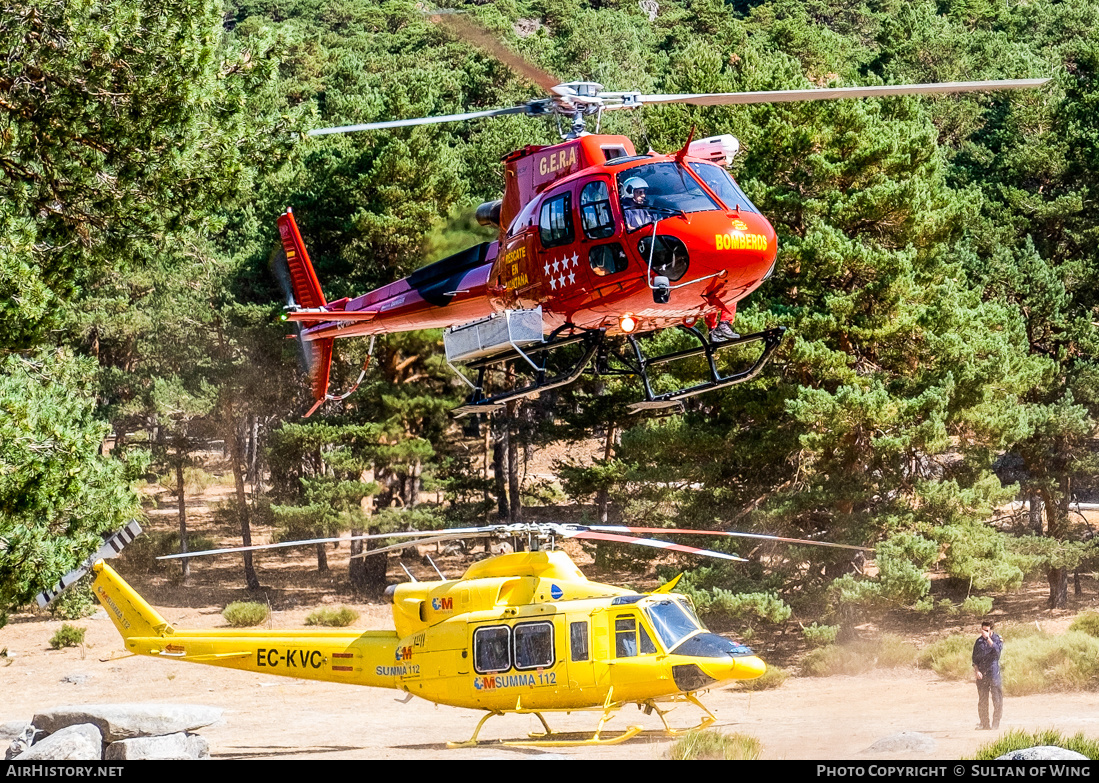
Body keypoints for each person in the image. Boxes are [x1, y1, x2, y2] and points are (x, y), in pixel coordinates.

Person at [972, 620, 1004, 730]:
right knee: (982, 700)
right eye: (983, 630)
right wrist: (977, 671)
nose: (984, 632)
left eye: (986, 630)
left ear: (991, 630)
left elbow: (997, 651)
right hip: (982, 673)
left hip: (993, 673)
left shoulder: (997, 639)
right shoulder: (978, 642)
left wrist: (988, 639)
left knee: (997, 699)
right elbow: (974, 659)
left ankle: (996, 724)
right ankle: (984, 723)